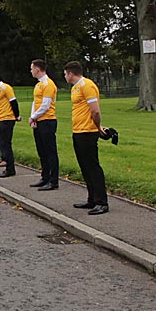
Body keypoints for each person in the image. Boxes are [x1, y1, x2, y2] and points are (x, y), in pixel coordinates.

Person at [64, 61, 109, 215]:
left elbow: (95, 111)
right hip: (78, 131)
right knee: (84, 166)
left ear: (70, 73)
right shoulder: (75, 88)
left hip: (88, 131)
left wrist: (97, 127)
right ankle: (92, 198)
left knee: (92, 166)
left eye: (65, 73)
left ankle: (102, 202)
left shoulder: (87, 85)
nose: (65, 76)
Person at [28, 60, 59, 190]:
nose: (31, 71)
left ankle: (53, 180)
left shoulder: (48, 84)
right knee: (42, 151)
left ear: (38, 69)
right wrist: (33, 117)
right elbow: (36, 102)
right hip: (39, 121)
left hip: (47, 121)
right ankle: (45, 176)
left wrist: (34, 116)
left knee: (50, 151)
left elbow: (45, 105)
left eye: (32, 68)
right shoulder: (38, 85)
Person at [0, 74, 20, 177]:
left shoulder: (6, 87)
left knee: (6, 143)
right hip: (0, 118)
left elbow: (13, 102)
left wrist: (17, 115)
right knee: (3, 143)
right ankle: (8, 165)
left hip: (7, 118)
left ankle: (10, 169)